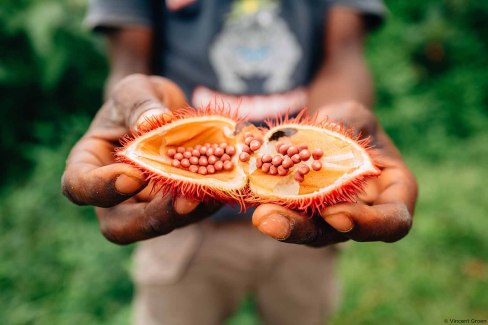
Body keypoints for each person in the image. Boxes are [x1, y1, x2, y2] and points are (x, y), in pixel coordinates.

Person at [62, 0, 418, 324]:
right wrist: (134, 108)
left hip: (308, 220)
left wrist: (331, 129)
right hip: (181, 227)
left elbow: (344, 56)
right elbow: (128, 64)